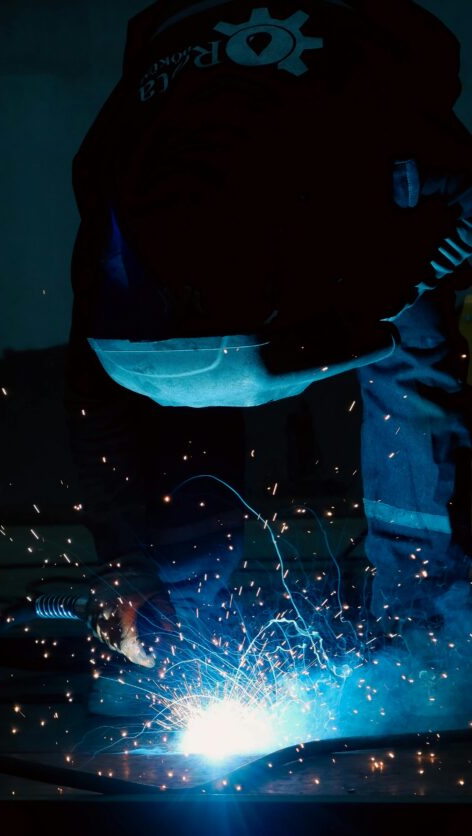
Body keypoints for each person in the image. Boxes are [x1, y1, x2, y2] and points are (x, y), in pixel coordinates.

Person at [66, 0, 472, 670]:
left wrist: (404, 281)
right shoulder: (117, 238)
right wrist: (124, 560)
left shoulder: (382, 161)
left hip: (363, 85)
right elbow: (94, 411)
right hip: (195, 92)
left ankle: (430, 628)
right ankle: (190, 627)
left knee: (416, 357)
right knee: (182, 395)